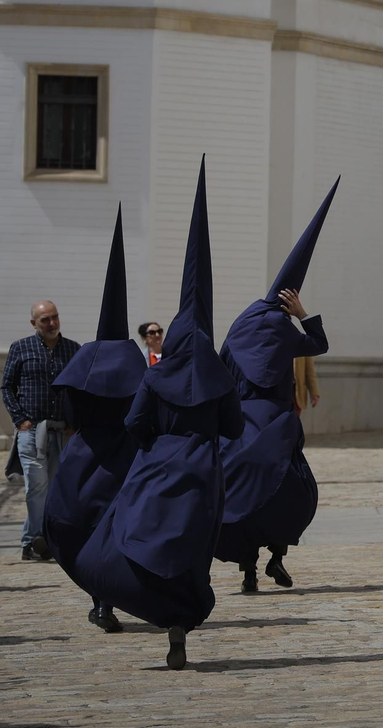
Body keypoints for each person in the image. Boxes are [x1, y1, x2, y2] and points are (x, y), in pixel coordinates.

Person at [68, 159, 244, 670]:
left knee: (130, 532)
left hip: (156, 466)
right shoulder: (218, 380)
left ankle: (111, 595)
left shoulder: (155, 377)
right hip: (202, 472)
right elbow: (233, 428)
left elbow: (132, 424)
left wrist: (154, 442)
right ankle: (177, 623)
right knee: (188, 555)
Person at [216, 179, 338, 593]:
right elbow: (319, 344)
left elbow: (221, 368)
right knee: (291, 493)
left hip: (240, 428)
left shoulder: (242, 323)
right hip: (277, 426)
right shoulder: (282, 327)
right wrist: (304, 314)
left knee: (245, 497)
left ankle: (250, 572)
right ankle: (276, 557)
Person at [45, 207, 145, 635]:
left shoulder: (86, 358)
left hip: (85, 454)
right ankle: (109, 597)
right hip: (126, 454)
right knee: (117, 526)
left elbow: (68, 408)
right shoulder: (134, 359)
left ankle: (100, 602)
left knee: (80, 521)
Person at [2, 299, 81, 561]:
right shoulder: (20, 348)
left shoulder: (72, 350)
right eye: (45, 319)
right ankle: (38, 539)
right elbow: (6, 387)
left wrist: (74, 424)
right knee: (36, 486)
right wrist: (20, 419)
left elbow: (80, 390)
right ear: (34, 323)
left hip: (62, 432)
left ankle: (34, 541)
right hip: (31, 431)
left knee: (55, 489)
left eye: (55, 317)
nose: (51, 323)